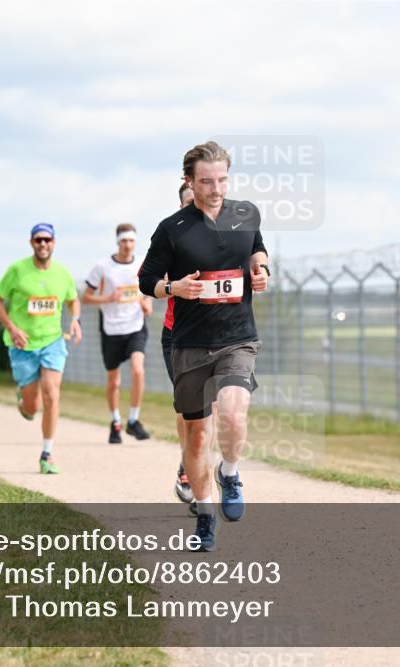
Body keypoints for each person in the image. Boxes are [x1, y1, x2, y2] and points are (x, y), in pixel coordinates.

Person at [139, 141, 270, 551]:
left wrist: (260, 268)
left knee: (232, 413)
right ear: (189, 182)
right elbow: (147, 281)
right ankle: (205, 518)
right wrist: (173, 287)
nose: (216, 189)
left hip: (237, 338)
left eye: (222, 180)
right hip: (190, 344)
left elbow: (257, 249)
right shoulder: (172, 228)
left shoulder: (245, 213)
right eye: (207, 181)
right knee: (196, 438)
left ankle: (229, 472)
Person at [0, 223, 82, 474]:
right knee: (33, 407)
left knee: (52, 393)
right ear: (32, 242)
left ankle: (47, 454)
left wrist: (75, 320)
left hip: (52, 341)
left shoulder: (62, 273)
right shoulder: (17, 270)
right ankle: (24, 402)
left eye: (47, 240)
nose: (43, 244)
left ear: (54, 242)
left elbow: (73, 300)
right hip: (22, 345)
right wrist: (11, 327)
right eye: (38, 240)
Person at [81, 223, 153, 444]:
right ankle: (115, 422)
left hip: (135, 327)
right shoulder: (103, 266)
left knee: (138, 371)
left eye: (131, 241)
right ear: (117, 242)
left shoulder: (142, 263)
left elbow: (149, 289)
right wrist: (108, 298)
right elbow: (86, 297)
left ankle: (133, 420)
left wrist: (146, 302)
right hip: (111, 329)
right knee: (114, 381)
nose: (128, 245)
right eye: (124, 241)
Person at [165, 183, 205, 509]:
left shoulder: (227, 234)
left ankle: (195, 470)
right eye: (191, 202)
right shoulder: (168, 238)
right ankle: (188, 466)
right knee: (189, 410)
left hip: (219, 336)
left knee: (212, 409)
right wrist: (173, 286)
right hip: (178, 334)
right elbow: (148, 280)